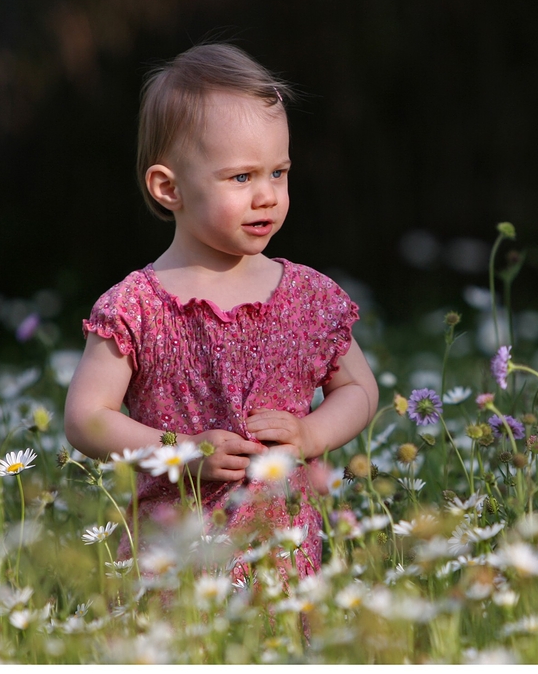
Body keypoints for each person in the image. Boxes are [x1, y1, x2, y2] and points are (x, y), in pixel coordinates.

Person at [64, 43, 379, 583]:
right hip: (171, 559)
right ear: (169, 188)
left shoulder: (306, 296)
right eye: (241, 178)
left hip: (281, 553)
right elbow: (86, 418)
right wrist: (178, 453)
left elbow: (360, 391)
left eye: (278, 173)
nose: (267, 196)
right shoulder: (138, 305)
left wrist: (310, 435)